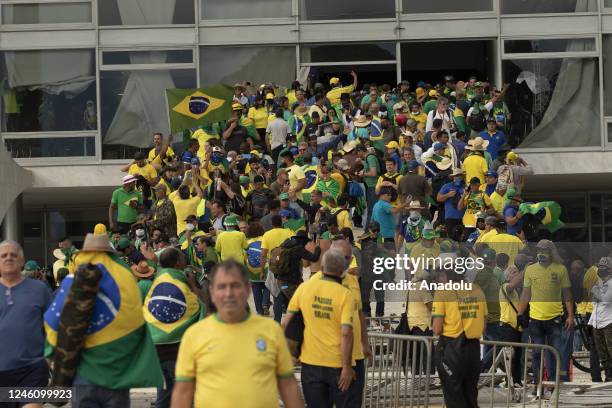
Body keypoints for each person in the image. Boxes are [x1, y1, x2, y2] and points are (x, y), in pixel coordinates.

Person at [45, 233, 163, 406]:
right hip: (119, 377)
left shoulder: (73, 280)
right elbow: (137, 324)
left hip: (85, 376)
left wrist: (52, 352)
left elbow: (53, 323)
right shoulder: (128, 282)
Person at [172, 260, 304, 408]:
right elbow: (183, 391)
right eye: (222, 287)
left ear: (248, 289)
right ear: (212, 292)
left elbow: (288, 385)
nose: (229, 293)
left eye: (235, 286)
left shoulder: (271, 331)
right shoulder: (194, 335)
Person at [283, 249, 357, 407]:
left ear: (322, 266)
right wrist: (347, 367)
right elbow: (346, 333)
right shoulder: (345, 294)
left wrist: (291, 352)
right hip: (337, 364)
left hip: (311, 365)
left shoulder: (304, 288)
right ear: (342, 269)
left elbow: (286, 322)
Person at [142, 248, 204, 408]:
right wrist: (193, 285)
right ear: (178, 263)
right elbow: (203, 309)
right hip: (175, 350)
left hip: (154, 346)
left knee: (164, 391)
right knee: (185, 394)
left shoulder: (159, 278)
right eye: (183, 258)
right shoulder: (183, 282)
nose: (185, 259)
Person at [0, 240, 53, 408]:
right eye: (3, 255)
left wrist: (51, 358)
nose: (8, 258)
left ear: (22, 261)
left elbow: (53, 326)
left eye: (13, 255)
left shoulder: (40, 289)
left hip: (33, 370)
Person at [518, 240, 574, 390]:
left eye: (545, 251)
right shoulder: (530, 270)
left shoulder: (561, 269)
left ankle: (552, 384)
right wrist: (520, 313)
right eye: (539, 251)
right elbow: (525, 294)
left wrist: (570, 315)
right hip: (535, 319)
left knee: (555, 353)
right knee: (537, 354)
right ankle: (538, 385)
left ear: (551, 253)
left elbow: (567, 293)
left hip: (555, 318)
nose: (541, 254)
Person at [431, 261, 487, 408]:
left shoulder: (443, 292)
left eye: (439, 275)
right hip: (473, 348)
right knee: (470, 394)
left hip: (451, 348)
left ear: (446, 274)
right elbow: (484, 322)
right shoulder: (477, 289)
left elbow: (437, 328)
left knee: (454, 395)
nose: (437, 279)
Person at [589, 257, 612, 382]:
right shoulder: (600, 284)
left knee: (610, 351)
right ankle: (609, 376)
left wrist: (595, 290)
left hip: (609, 322)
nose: (601, 270)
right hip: (597, 322)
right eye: (600, 267)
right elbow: (595, 302)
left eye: (604, 268)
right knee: (602, 354)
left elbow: (605, 299)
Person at [437, 168, 466, 241]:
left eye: (459, 176)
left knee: (462, 239)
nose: (458, 177)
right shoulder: (447, 186)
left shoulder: (465, 187)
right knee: (451, 239)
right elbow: (438, 198)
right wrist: (448, 195)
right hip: (450, 218)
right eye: (456, 176)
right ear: (453, 177)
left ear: (462, 177)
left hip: (463, 218)